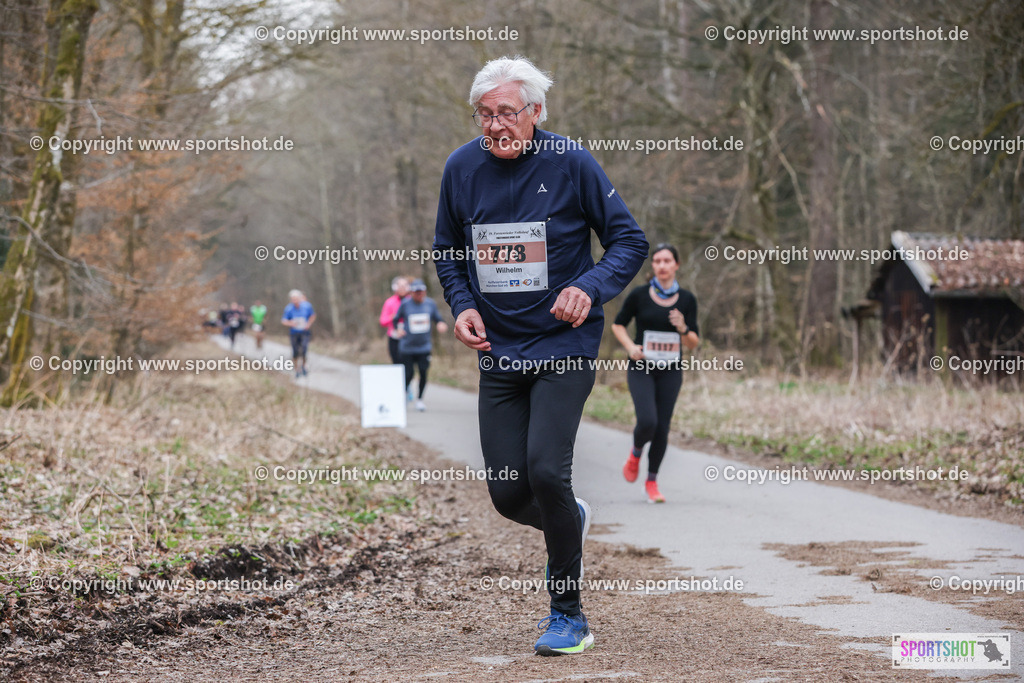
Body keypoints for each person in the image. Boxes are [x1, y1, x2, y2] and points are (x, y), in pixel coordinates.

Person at [433, 56, 648, 656]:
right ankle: (568, 519)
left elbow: (629, 241)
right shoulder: (461, 167)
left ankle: (568, 615)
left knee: (548, 473)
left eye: (508, 112)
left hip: (563, 344)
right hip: (499, 347)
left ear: (535, 112)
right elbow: (447, 247)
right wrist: (461, 304)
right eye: (485, 114)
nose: (496, 125)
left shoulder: (571, 162)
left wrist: (591, 287)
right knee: (508, 492)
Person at [611, 244, 699, 503]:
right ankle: (636, 452)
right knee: (648, 421)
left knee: (662, 427)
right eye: (657, 261)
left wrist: (683, 328)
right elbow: (617, 325)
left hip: (671, 370)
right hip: (642, 367)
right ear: (653, 267)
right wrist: (630, 347)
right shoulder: (639, 295)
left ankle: (651, 482)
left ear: (676, 265)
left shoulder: (687, 299)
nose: (661, 265)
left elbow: (693, 342)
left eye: (667, 260)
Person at [392, 279, 448, 411]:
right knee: (409, 373)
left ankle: (420, 400)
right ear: (411, 293)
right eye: (416, 292)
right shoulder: (405, 304)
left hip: (424, 347)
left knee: (423, 373)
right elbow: (395, 320)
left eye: (421, 292)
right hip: (407, 347)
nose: (419, 294)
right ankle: (405, 394)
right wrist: (398, 329)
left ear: (425, 292)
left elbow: (438, 318)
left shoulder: (430, 304)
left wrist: (441, 324)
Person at [380, 277, 412, 399]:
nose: (402, 288)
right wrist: (393, 317)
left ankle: (407, 386)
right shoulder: (389, 302)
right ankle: (399, 390)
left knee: (409, 367)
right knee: (397, 365)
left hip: (409, 338)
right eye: (400, 285)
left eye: (405, 285)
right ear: (395, 288)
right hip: (394, 338)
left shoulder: (412, 301)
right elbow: (382, 321)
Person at [281, 289, 315, 377]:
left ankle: (304, 366)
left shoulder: (307, 306)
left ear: (300, 298)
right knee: (295, 351)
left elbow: (313, 315)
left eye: (296, 299)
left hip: (304, 332)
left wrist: (309, 324)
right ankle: (296, 369)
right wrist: (290, 323)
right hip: (294, 333)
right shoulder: (288, 308)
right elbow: (283, 320)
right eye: (293, 299)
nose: (295, 301)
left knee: (304, 349)